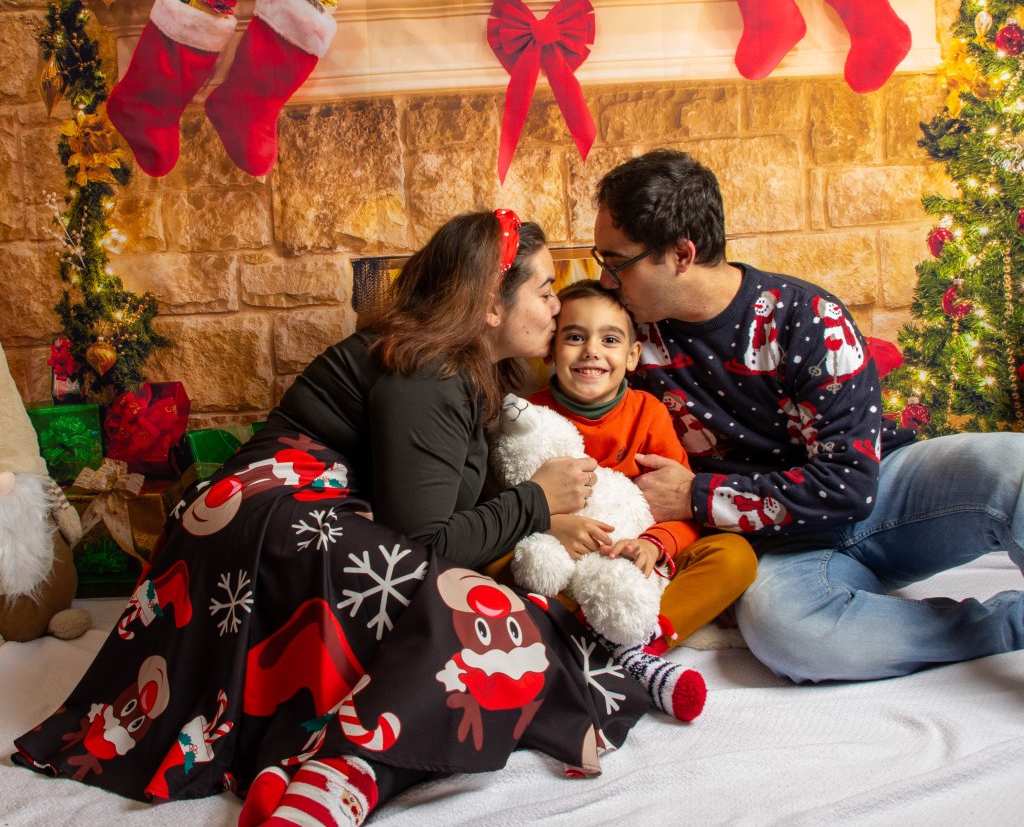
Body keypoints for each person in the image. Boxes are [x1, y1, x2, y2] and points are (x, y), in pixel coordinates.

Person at [13, 210, 652, 826]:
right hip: (268, 519)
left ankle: (341, 760)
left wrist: (536, 517)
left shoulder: (463, 369)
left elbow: (449, 505)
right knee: (470, 613)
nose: (555, 307)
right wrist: (534, 499)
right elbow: (428, 543)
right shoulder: (427, 370)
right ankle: (345, 766)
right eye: (544, 290)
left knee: (458, 608)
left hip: (275, 514)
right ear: (491, 303)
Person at [590, 148, 1024, 684]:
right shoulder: (621, 337)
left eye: (617, 263)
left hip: (882, 495)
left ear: (681, 254)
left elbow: (849, 485)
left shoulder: (809, 318)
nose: (605, 280)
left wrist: (698, 496)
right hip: (777, 547)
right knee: (791, 635)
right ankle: (1006, 626)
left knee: (1013, 466)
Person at [528, 279, 757, 656]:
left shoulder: (648, 413)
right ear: (550, 350)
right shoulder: (529, 415)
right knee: (499, 560)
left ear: (633, 355)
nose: (591, 351)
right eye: (574, 337)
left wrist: (653, 544)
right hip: (569, 562)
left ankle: (644, 643)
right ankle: (573, 637)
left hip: (639, 558)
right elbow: (509, 500)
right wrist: (550, 525)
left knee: (735, 555)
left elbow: (684, 510)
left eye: (610, 340)